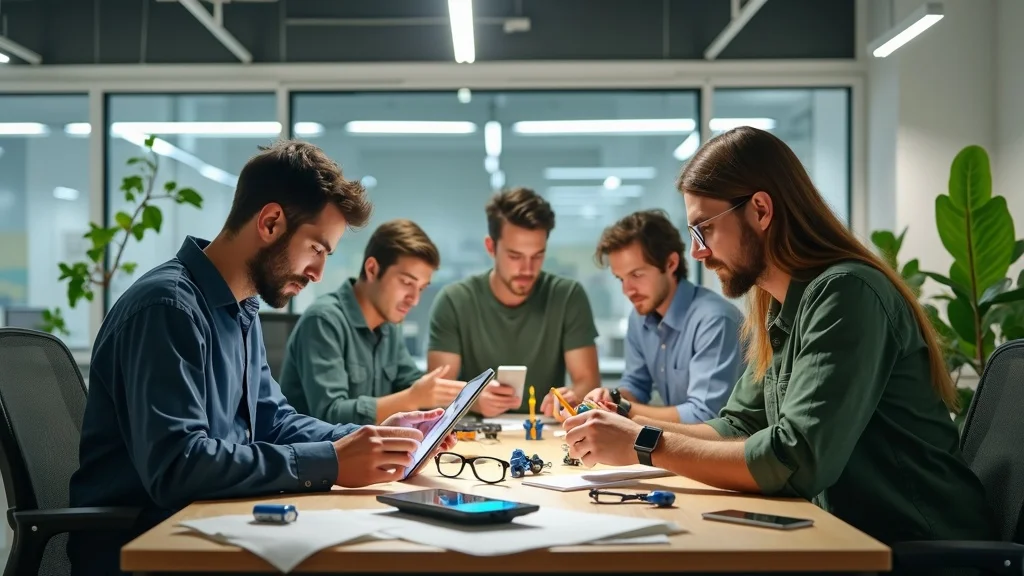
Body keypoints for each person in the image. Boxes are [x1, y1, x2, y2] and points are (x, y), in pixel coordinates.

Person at [563, 127, 995, 547]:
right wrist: (626, 426)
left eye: (704, 228)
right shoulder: (780, 305)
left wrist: (641, 443)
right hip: (849, 535)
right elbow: (737, 425)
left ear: (761, 210)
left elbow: (794, 459)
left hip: (919, 546)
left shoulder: (847, 293)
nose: (698, 251)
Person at [68, 141, 457, 575]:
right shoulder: (167, 308)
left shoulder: (241, 309)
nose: (318, 274)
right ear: (270, 223)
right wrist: (331, 461)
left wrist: (374, 439)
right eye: (317, 249)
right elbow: (179, 467)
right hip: (148, 547)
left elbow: (273, 421)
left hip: (212, 527)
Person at [427, 187, 601, 418]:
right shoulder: (454, 301)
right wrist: (474, 401)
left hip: (545, 428)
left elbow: (588, 383)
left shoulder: (568, 296)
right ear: (491, 247)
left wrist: (572, 397)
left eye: (537, 255)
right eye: (515, 256)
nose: (527, 269)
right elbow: (437, 393)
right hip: (475, 430)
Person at [279, 219, 465, 425]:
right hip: (320, 446)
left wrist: (461, 395)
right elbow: (330, 415)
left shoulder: (389, 325)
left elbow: (410, 383)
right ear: (372, 269)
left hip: (374, 444)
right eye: (406, 282)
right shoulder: (323, 321)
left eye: (421, 288)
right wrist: (412, 398)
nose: (414, 299)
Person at [585, 209, 744, 422]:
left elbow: (705, 415)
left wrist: (622, 407)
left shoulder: (715, 320)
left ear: (671, 264)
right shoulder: (639, 317)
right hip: (684, 440)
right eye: (621, 279)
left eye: (636, 275)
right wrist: (611, 398)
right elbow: (636, 385)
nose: (627, 290)